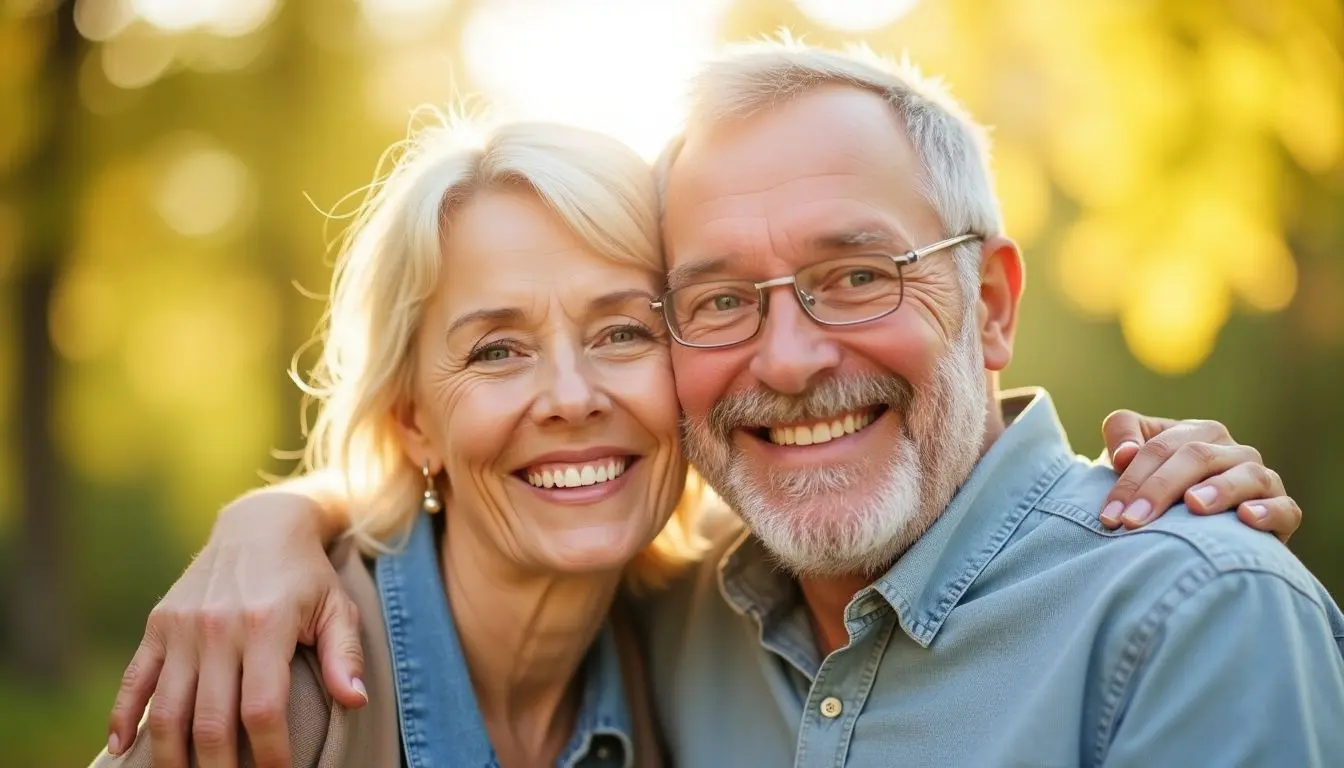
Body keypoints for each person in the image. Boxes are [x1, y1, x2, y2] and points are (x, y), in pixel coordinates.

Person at [101, 42, 1330, 767]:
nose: (789, 361)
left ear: (993, 307)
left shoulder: (1189, 617)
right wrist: (272, 521)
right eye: (722, 299)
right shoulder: (276, 689)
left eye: (855, 276)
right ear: (409, 413)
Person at [95, 119, 701, 767]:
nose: (572, 397)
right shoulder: (278, 700)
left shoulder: (683, 645)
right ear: (411, 422)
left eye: (623, 333)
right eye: (497, 350)